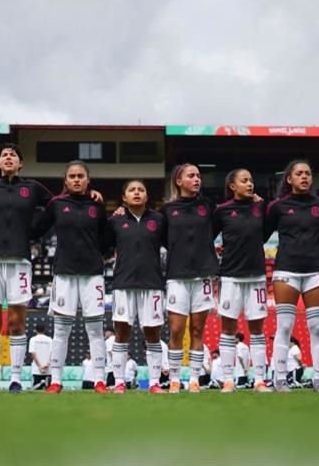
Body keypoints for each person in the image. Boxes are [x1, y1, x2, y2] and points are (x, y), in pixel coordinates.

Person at [0, 144, 53, 394]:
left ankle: (16, 379)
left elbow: (55, 208)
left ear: (20, 164)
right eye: (4, 155)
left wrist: (33, 233)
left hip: (19, 260)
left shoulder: (32, 188)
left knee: (17, 323)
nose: (8, 158)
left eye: (13, 155)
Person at [32, 161, 108, 394]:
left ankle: (99, 381)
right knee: (61, 331)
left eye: (80, 176)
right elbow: (36, 230)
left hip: (92, 274)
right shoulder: (56, 204)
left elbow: (107, 239)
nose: (76, 179)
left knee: (95, 331)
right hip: (64, 274)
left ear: (88, 180)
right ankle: (56, 380)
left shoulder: (97, 205)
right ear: (65, 181)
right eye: (72, 176)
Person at [266, 160, 319, 392]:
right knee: (284, 327)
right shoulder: (277, 207)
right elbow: (261, 233)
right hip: (286, 271)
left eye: (308, 173)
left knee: (317, 328)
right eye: (299, 173)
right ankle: (280, 379)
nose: (304, 177)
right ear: (289, 179)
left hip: (315, 271)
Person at [212, 168, 271, 393]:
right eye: (244, 180)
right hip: (230, 276)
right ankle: (228, 380)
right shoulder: (222, 211)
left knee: (257, 329)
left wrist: (262, 204)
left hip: (256, 276)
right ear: (232, 186)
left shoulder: (260, 207)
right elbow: (207, 236)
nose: (250, 184)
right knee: (228, 329)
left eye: (251, 180)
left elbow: (264, 235)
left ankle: (259, 381)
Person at [106, 179, 167, 394]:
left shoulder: (159, 220)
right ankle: (119, 382)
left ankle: (154, 383)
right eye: (132, 190)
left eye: (141, 189)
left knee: (153, 335)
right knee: (122, 334)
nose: (137, 192)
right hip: (124, 283)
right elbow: (102, 245)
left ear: (147, 196)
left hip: (152, 284)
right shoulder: (115, 221)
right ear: (124, 197)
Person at [161, 164, 217, 393]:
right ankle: (174, 378)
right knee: (175, 329)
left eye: (198, 176)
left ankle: (194, 379)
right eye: (191, 176)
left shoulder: (208, 206)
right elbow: (162, 237)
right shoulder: (168, 209)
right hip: (177, 275)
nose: (197, 179)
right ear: (178, 181)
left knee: (197, 330)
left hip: (202, 275)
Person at [28, 323, 52, 390]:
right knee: (48, 390)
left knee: (36, 389)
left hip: (36, 369)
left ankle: (41, 384)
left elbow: (33, 353)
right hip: (48, 368)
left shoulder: (33, 339)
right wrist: (47, 364)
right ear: (45, 330)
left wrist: (39, 366)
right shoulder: (49, 340)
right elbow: (52, 353)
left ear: (35, 330)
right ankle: (44, 383)